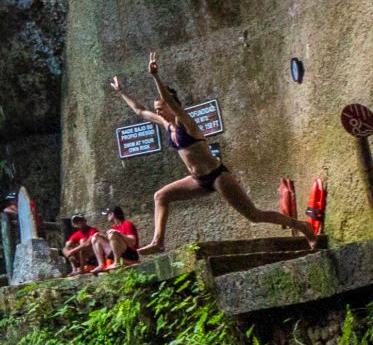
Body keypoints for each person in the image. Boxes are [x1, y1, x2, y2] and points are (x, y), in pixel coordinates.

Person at [109, 52, 317, 254]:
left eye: (161, 107)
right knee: (161, 196)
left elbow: (171, 102)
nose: (159, 111)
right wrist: (121, 92)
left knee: (254, 215)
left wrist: (155, 77)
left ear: (172, 106)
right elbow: (140, 111)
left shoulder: (187, 124)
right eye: (158, 108)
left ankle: (302, 226)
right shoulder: (167, 125)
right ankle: (158, 241)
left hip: (218, 176)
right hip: (197, 179)